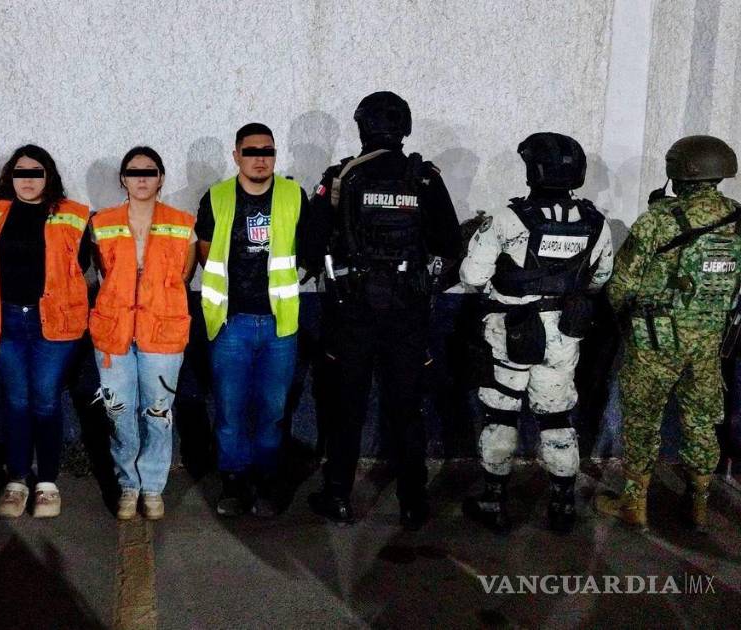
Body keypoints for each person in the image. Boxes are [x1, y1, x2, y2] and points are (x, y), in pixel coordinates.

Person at [306, 92, 460, 530]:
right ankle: (413, 503)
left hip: (352, 312)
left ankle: (338, 496)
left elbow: (311, 247)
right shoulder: (424, 178)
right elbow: (450, 243)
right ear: (404, 128)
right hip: (407, 313)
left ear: (361, 127)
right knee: (407, 409)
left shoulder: (340, 178)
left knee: (346, 408)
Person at [459, 132, 614, 533]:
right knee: (557, 419)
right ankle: (562, 506)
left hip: (511, 332)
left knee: (500, 415)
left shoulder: (506, 219)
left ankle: (494, 500)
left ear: (533, 170)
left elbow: (472, 277)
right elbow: (600, 279)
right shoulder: (596, 222)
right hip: (564, 333)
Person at [596, 135, 741, 532]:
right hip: (709, 342)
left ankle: (634, 505)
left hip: (654, 339)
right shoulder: (738, 218)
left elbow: (621, 285)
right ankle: (698, 507)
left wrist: (620, 318)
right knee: (701, 420)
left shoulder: (658, 220)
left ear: (678, 173)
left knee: (643, 419)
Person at [196, 122, 320, 518]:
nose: (260, 158)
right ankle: (234, 483)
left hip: (279, 325)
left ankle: (267, 480)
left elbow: (309, 248)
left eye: (267, 150)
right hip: (230, 322)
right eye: (251, 151)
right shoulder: (216, 197)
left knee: (273, 412)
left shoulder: (293, 195)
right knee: (230, 411)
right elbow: (205, 253)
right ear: (236, 156)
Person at [0, 145, 92, 519]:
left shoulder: (74, 215)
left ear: (48, 176)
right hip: (7, 321)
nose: (27, 180)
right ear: (10, 176)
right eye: (20, 172)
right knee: (17, 402)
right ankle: (17, 480)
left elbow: (82, 264)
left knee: (45, 401)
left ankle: (48, 483)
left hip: (54, 324)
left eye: (35, 172)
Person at [89, 146, 196, 520]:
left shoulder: (182, 223)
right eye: (134, 172)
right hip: (113, 332)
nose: (141, 178)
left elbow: (184, 274)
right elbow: (102, 271)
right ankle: (128, 485)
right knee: (118, 411)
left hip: (162, 332)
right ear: (123, 179)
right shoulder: (102, 222)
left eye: (149, 171)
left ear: (161, 177)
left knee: (158, 412)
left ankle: (151, 487)